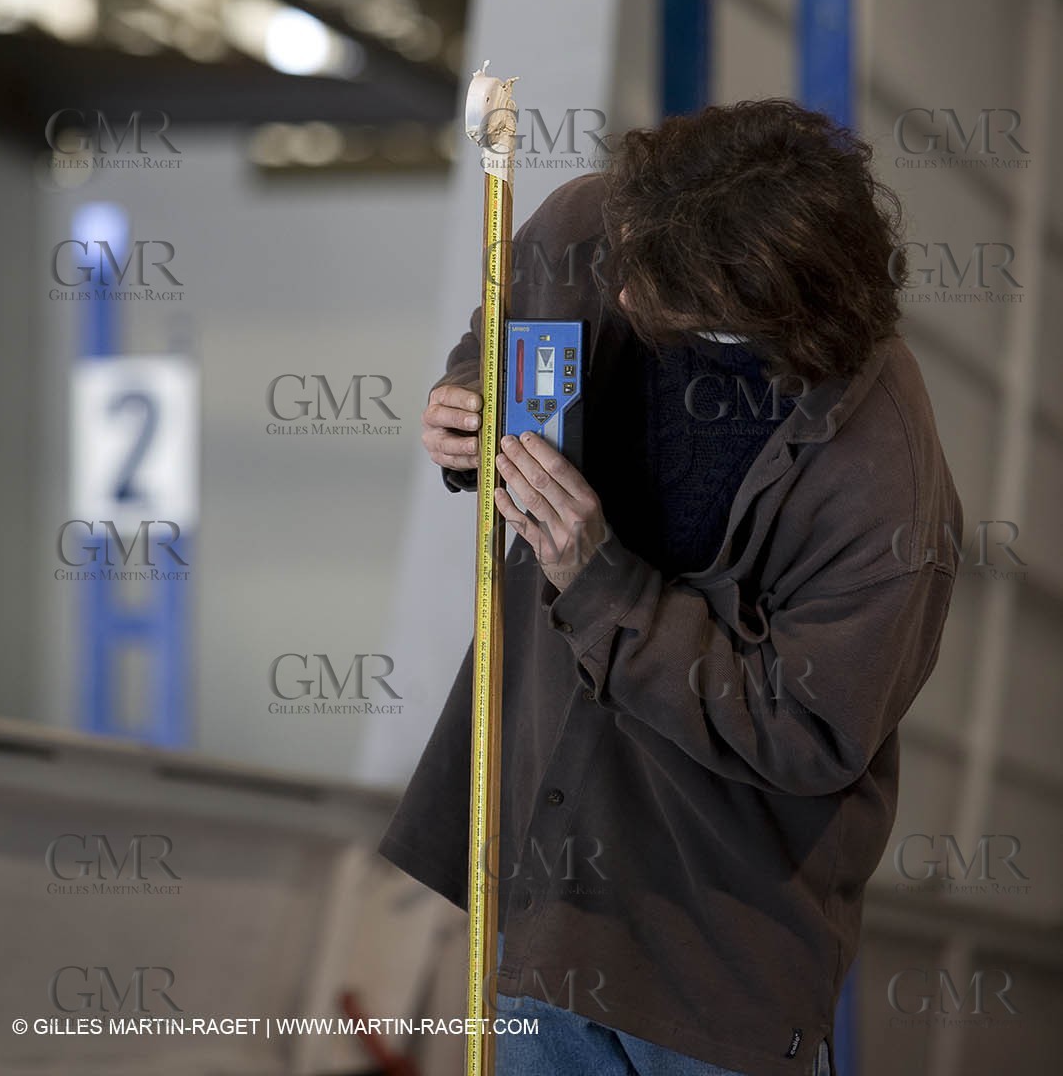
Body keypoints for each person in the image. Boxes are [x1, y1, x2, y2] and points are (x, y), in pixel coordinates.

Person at [379, 99, 962, 1076]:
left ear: (755, 301)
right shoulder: (604, 225)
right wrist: (466, 401)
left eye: (652, 287)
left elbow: (806, 731)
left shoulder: (881, 476)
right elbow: (507, 325)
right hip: (548, 887)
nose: (622, 284)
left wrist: (594, 576)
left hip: (714, 958)